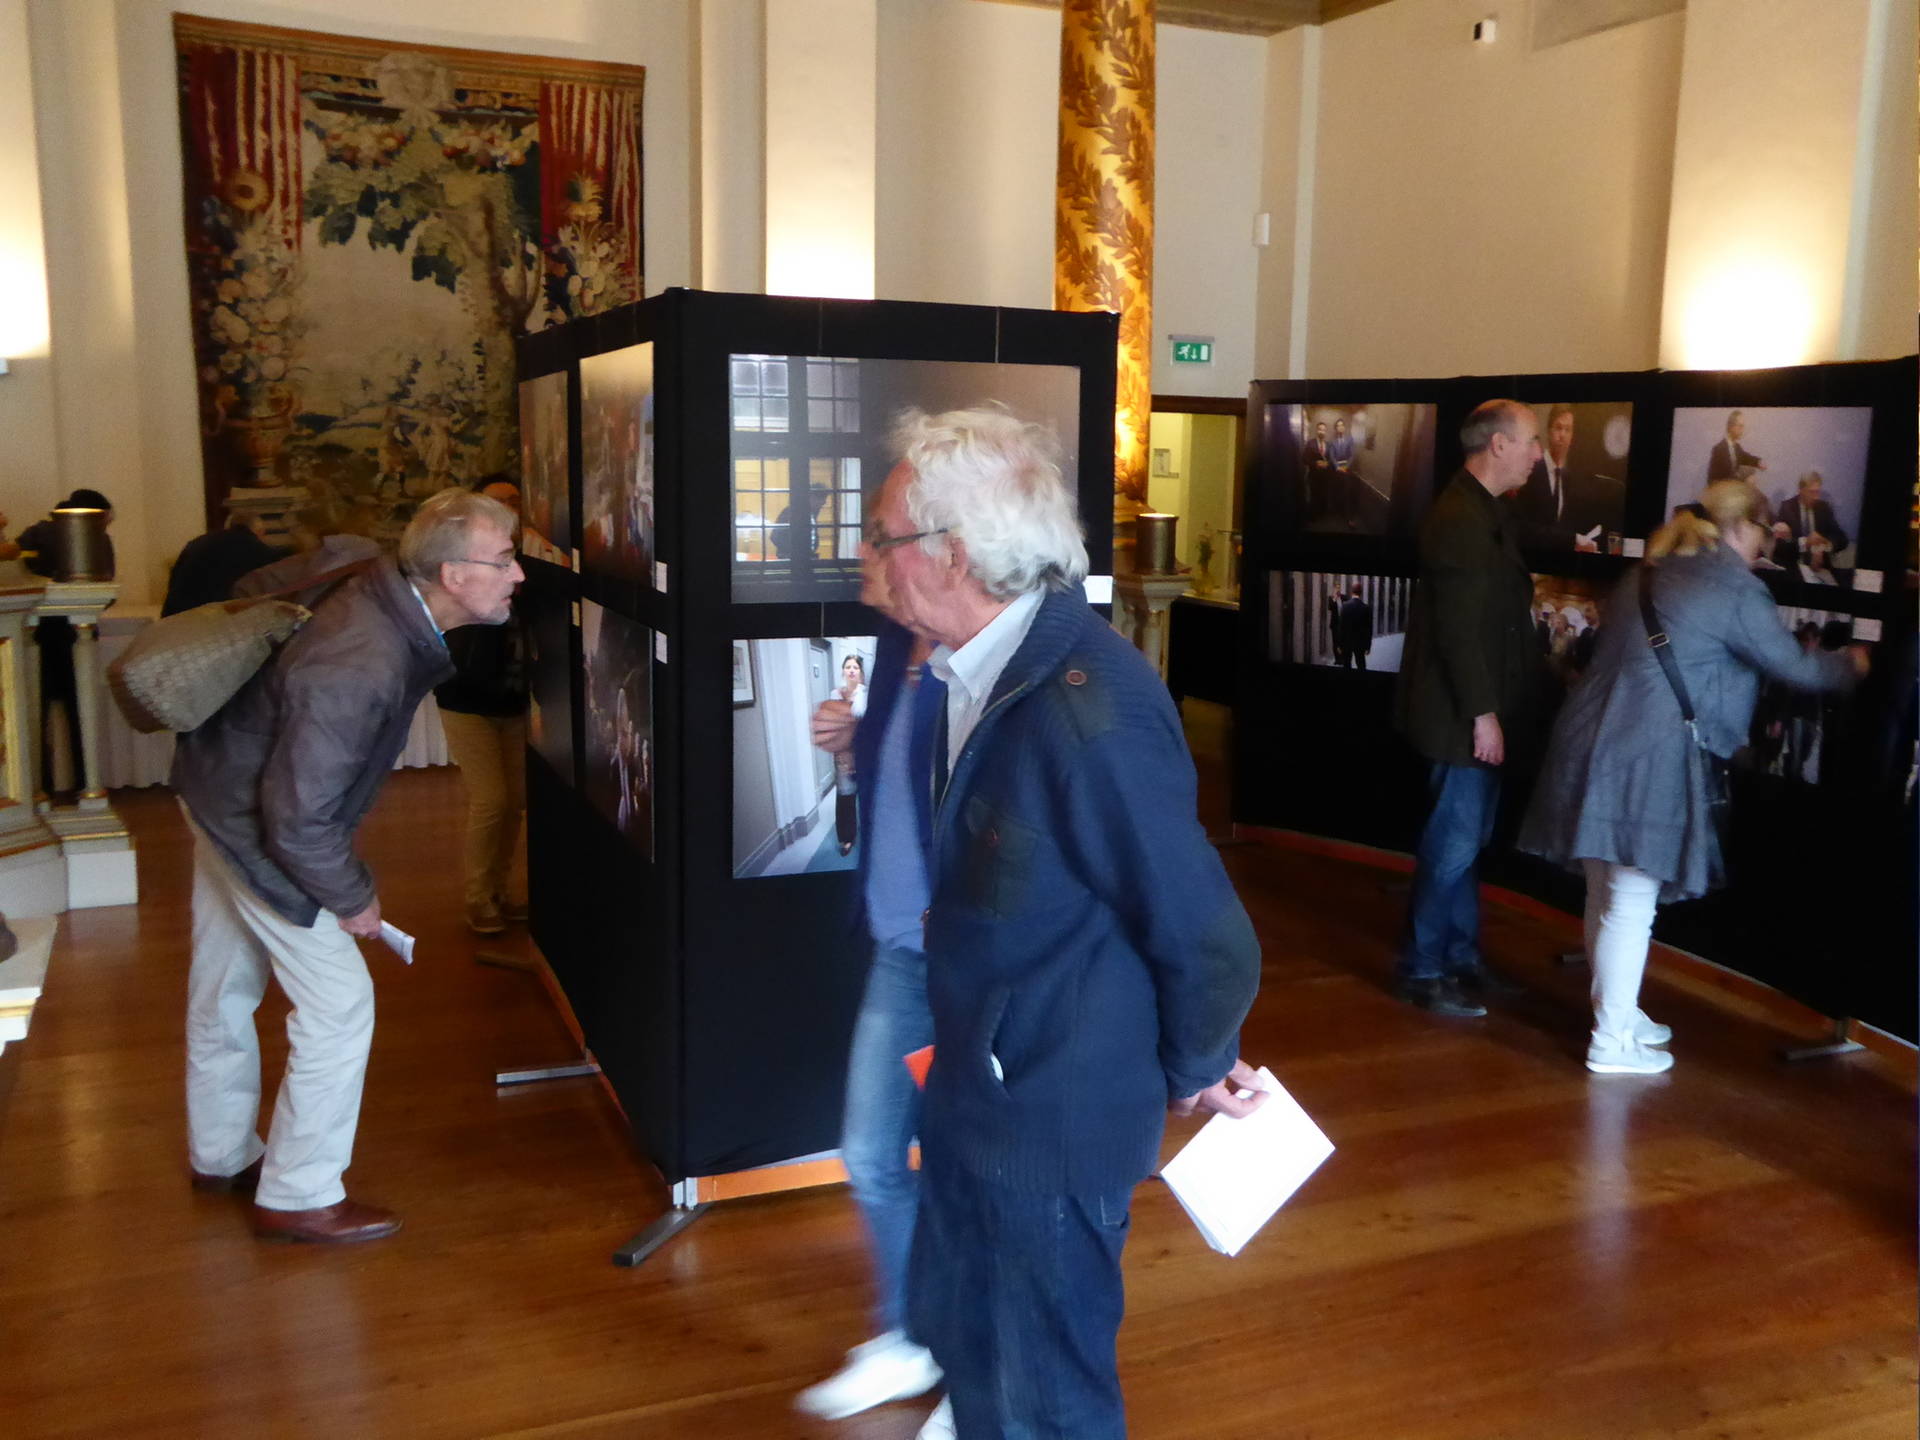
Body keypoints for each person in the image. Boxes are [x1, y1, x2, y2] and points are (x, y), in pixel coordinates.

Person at [869, 406, 1265, 1439]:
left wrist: (1195, 1062)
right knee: (983, 1367)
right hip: (982, 1098)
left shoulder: (1084, 707)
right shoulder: (983, 667)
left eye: (883, 540)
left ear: (951, 555)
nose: (869, 561)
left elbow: (1206, 934)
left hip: (1047, 1128)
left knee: (1046, 1404)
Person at [172, 488, 524, 1242]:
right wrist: (355, 900)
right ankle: (298, 1194)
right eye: (504, 560)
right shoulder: (363, 658)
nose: (518, 574)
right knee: (339, 1005)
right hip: (249, 818)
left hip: (216, 782)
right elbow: (296, 821)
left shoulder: (379, 586)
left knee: (225, 981)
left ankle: (221, 1152)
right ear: (454, 575)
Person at [1519, 480, 1864, 1074]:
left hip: (1589, 741)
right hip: (1646, 751)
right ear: (1741, 528)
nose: (1765, 546)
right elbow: (1795, 667)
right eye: (1761, 532)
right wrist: (1852, 664)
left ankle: (1618, 1013)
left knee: (1606, 888)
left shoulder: (1647, 573)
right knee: (1631, 899)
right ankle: (1610, 1041)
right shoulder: (1735, 588)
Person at [794, 608, 940, 1422]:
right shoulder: (895, 645)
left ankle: (971, 1355)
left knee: (971, 1170)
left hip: (971, 965)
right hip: (899, 948)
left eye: (882, 542)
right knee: (874, 1152)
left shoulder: (985, 654)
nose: (866, 563)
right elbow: (886, 791)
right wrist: (850, 752)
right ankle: (908, 1339)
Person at [1393, 400, 1543, 1018]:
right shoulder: (1459, 518)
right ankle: (1423, 969)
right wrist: (1484, 715)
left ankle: (1459, 957)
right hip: (1461, 718)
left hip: (1478, 713)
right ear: (1499, 445)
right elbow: (1458, 632)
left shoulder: (1485, 513)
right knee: (1452, 844)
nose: (1540, 454)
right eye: (1533, 441)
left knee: (1466, 840)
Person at [436, 479, 532, 936]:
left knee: (515, 802)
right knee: (491, 800)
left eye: (513, 500)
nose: (507, 507)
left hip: (512, 700)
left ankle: (500, 890)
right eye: (498, 500)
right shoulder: (460, 562)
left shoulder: (523, 564)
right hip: (466, 701)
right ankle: (478, 896)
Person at [1512, 404, 1623, 551]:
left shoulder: (1575, 478)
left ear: (1572, 436)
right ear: (1549, 431)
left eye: (1567, 429)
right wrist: (1572, 539)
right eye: (1558, 428)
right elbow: (1523, 527)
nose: (1562, 435)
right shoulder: (1530, 470)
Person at [162, 510, 280, 616]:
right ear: (260, 531)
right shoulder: (258, 549)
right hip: (209, 620)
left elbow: (174, 579)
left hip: (174, 614)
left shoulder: (198, 542)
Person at [830, 652, 869, 856]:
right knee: (845, 796)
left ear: (860, 672)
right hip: (843, 753)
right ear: (843, 671)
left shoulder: (867, 694)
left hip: (863, 752)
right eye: (848, 667)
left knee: (867, 794)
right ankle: (847, 838)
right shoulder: (835, 694)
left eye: (855, 667)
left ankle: (872, 834)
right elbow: (833, 726)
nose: (852, 670)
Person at [1776, 471, 1848, 560]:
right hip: (1795, 564)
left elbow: (1842, 539)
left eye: (1817, 492)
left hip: (1820, 567)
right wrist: (1805, 543)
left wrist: (1825, 544)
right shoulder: (1787, 508)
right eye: (1811, 492)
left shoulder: (1824, 507)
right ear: (1800, 490)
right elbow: (1779, 545)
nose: (1816, 497)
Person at [1706, 410, 1765, 480]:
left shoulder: (1737, 448)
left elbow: (1746, 458)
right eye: (1740, 426)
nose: (1743, 431)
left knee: (1752, 478)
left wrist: (1758, 462)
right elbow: (1712, 479)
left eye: (1743, 427)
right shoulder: (1718, 450)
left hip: (1735, 486)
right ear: (1731, 426)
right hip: (1724, 488)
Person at [1336, 585, 1374, 670]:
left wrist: (1339, 644)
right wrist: (1368, 646)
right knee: (1361, 665)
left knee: (1346, 665)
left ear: (1351, 592)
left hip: (1347, 642)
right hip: (1360, 642)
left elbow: (1341, 626)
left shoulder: (1345, 606)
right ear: (1361, 593)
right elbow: (1369, 629)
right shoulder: (1366, 608)